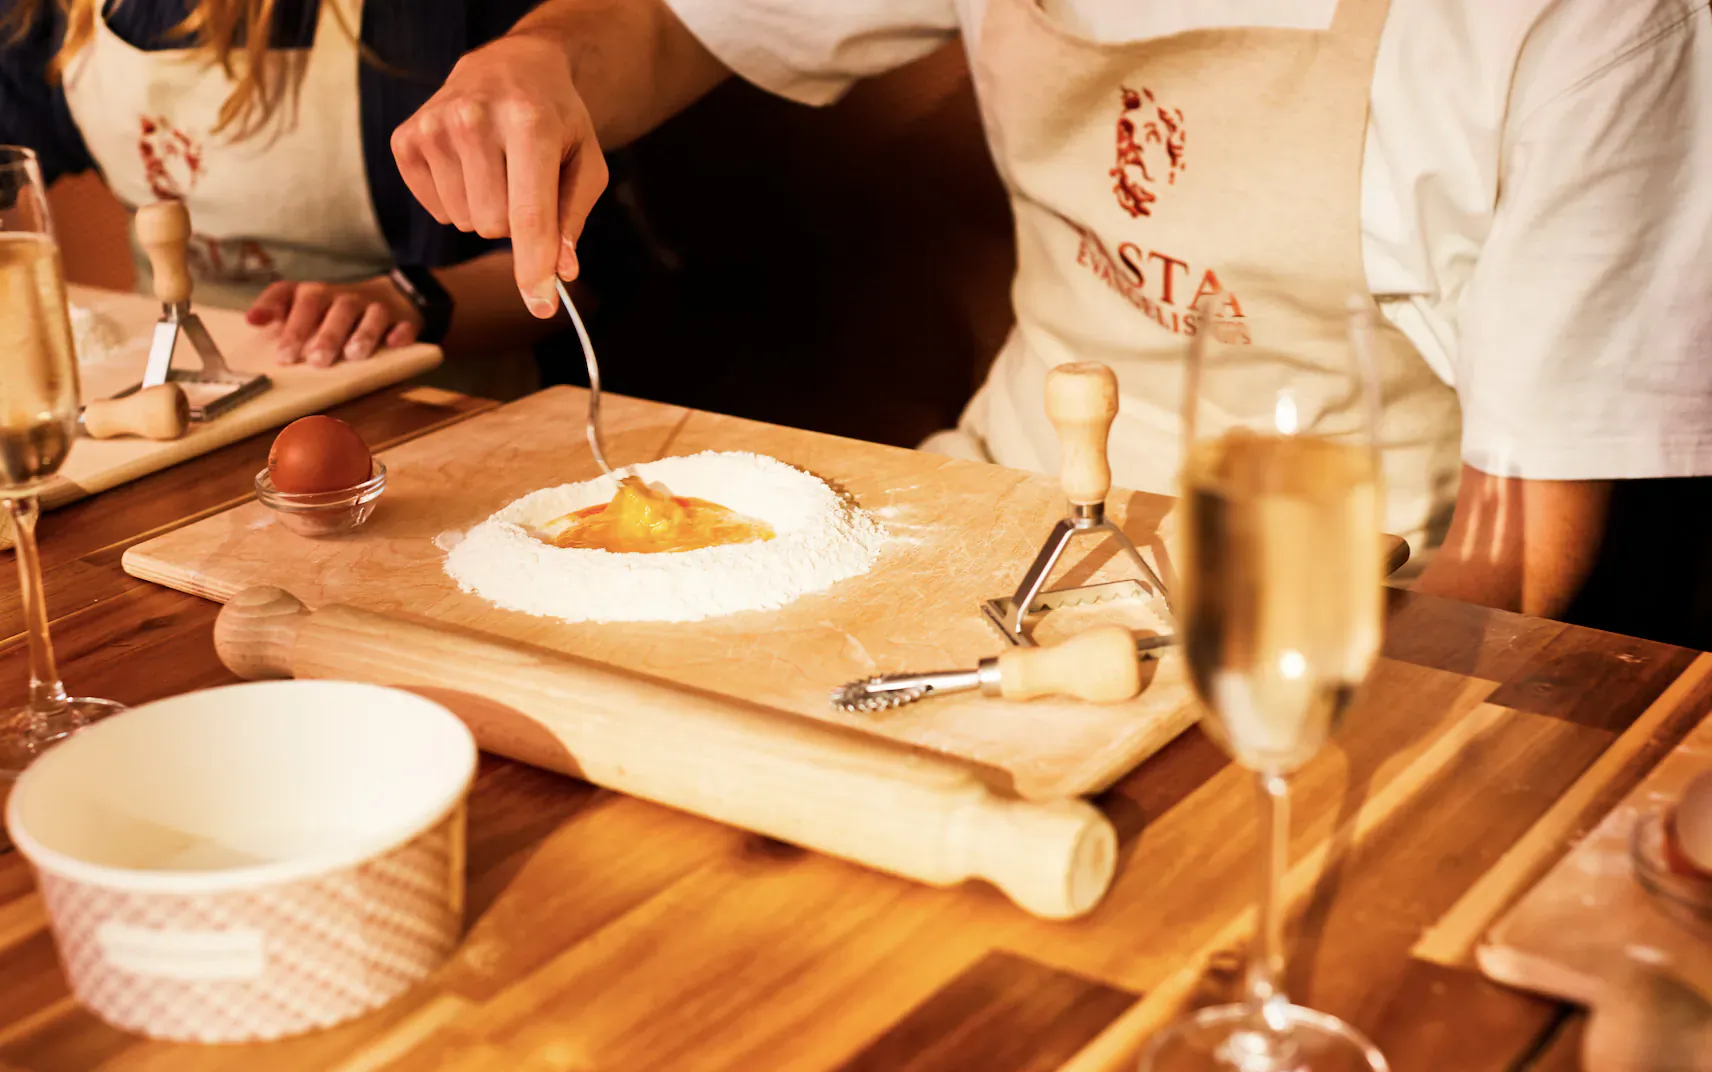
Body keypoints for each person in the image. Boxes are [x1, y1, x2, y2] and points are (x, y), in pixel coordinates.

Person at [389, 0, 1712, 620]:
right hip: (972, 531)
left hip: (1338, 603)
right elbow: (673, 24)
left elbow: (1521, 557)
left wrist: (1288, 737)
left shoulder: (1585, 19)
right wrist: (541, 59)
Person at [0, 0, 591, 387]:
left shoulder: (426, 20)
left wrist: (408, 298)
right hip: (174, 395)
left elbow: (585, 276)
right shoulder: (47, 18)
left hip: (422, 404)